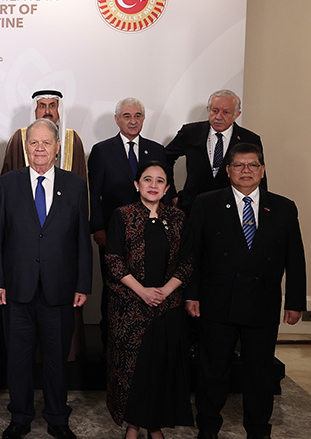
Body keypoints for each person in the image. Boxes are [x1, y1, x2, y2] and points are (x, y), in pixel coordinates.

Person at [183, 143, 306, 439]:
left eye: (253, 165)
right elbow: (192, 254)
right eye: (239, 165)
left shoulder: (283, 207)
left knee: (260, 372)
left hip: (263, 302)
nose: (246, 171)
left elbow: (295, 257)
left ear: (262, 171)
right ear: (228, 171)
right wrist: (191, 294)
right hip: (217, 302)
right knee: (213, 370)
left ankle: (259, 430)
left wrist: (295, 302)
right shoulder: (206, 203)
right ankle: (208, 428)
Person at [0, 119, 91, 439]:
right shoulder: (8, 184)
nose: (40, 149)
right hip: (17, 288)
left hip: (60, 289)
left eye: (46, 143)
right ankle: (20, 416)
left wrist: (83, 284)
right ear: (26, 147)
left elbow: (81, 239)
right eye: (34, 143)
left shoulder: (75, 185)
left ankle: (57, 417)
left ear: (57, 147)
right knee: (18, 359)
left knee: (56, 359)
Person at [104, 161, 193, 439]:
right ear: (137, 184)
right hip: (130, 308)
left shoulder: (178, 218)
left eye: (159, 181)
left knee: (161, 370)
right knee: (134, 371)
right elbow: (113, 260)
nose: (153, 185)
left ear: (167, 188)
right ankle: (132, 426)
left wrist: (165, 291)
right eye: (147, 179)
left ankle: (155, 426)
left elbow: (188, 261)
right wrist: (143, 292)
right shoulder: (122, 215)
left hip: (167, 306)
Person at [89, 98, 171, 346]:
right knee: (114, 286)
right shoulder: (102, 150)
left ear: (144, 118)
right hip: (113, 233)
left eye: (137, 115)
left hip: (151, 233)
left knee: (149, 283)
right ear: (117, 120)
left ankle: (148, 339)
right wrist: (98, 228)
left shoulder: (157, 150)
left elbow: (168, 191)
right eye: (127, 116)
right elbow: (93, 193)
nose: (133, 121)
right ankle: (110, 340)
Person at [165, 89, 264, 214]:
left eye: (226, 112)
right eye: (215, 111)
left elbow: (259, 175)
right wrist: (170, 193)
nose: (218, 117)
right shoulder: (190, 132)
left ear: (237, 114)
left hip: (232, 209)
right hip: (192, 207)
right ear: (208, 109)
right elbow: (165, 158)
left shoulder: (249, 139)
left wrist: (259, 208)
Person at [0, 90, 87, 180]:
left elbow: (81, 177)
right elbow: (8, 179)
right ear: (35, 110)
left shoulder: (72, 139)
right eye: (42, 106)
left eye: (52, 106)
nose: (47, 111)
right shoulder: (19, 137)